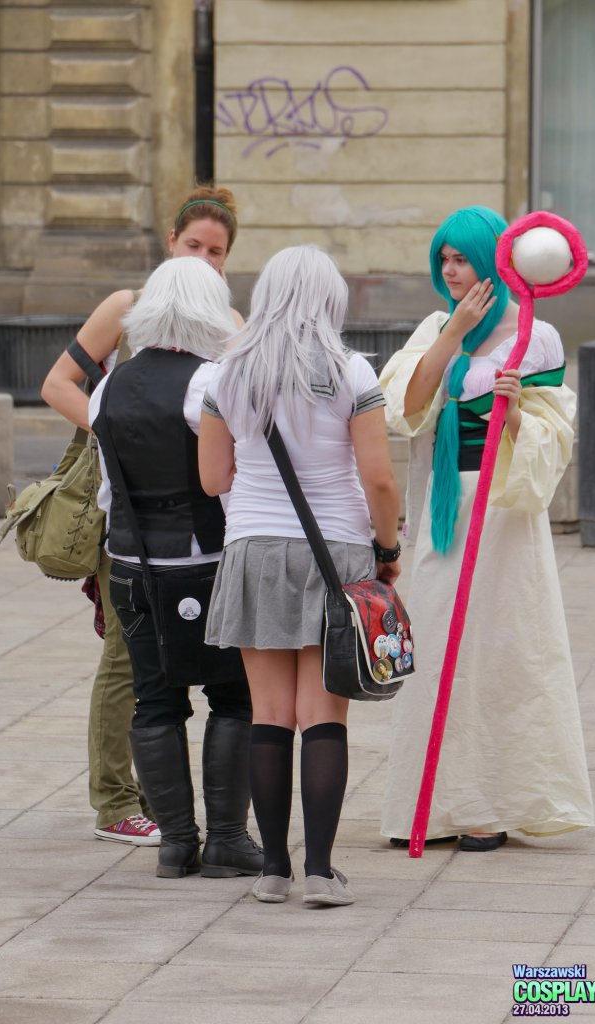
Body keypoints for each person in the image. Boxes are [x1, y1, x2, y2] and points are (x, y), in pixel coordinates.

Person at [379, 206, 594, 852]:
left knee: (501, 650)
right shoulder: (435, 328)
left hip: (501, 509)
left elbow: (558, 432)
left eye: (462, 258)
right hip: (447, 510)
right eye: (442, 259)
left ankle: (491, 806)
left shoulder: (538, 338)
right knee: (441, 651)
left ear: (494, 261)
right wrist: (455, 334)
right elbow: (408, 408)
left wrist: (517, 409)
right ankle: (434, 802)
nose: (450, 270)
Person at [199, 245, 401, 906]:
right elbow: (377, 477)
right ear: (330, 299)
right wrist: (388, 546)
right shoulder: (351, 371)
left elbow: (212, 479)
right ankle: (319, 871)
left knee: (270, 713)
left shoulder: (225, 376)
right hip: (333, 552)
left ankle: (271, 873)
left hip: (254, 548)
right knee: (323, 715)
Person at [40, 186, 242, 845]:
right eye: (194, 246)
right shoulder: (128, 307)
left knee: (191, 664)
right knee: (128, 659)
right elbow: (57, 383)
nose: (205, 260)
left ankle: (174, 813)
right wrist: (115, 429)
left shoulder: (226, 319)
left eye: (218, 252)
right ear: (170, 243)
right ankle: (113, 800)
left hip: (202, 517)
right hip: (126, 500)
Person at [89, 255, 263, 879]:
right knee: (232, 696)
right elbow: (232, 477)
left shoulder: (109, 385)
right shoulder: (209, 384)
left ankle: (174, 845)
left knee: (154, 702)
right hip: (204, 561)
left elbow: (108, 488)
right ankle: (225, 841)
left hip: (130, 563)